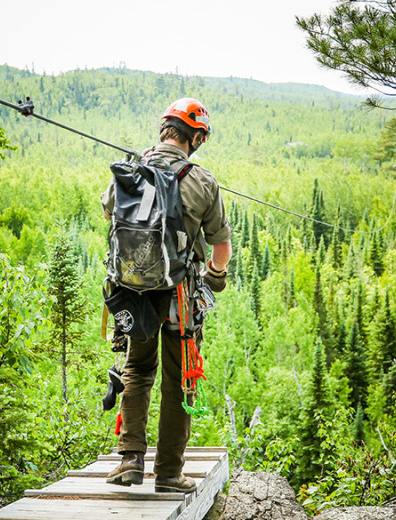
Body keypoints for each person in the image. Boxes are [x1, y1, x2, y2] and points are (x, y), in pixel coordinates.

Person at [100, 98, 233, 493]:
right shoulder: (203, 181)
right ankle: (170, 473)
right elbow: (220, 248)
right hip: (179, 294)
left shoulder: (130, 171)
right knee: (178, 381)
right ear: (194, 137)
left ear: (163, 131)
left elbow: (110, 213)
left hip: (133, 292)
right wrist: (215, 276)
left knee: (138, 370)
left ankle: (130, 461)